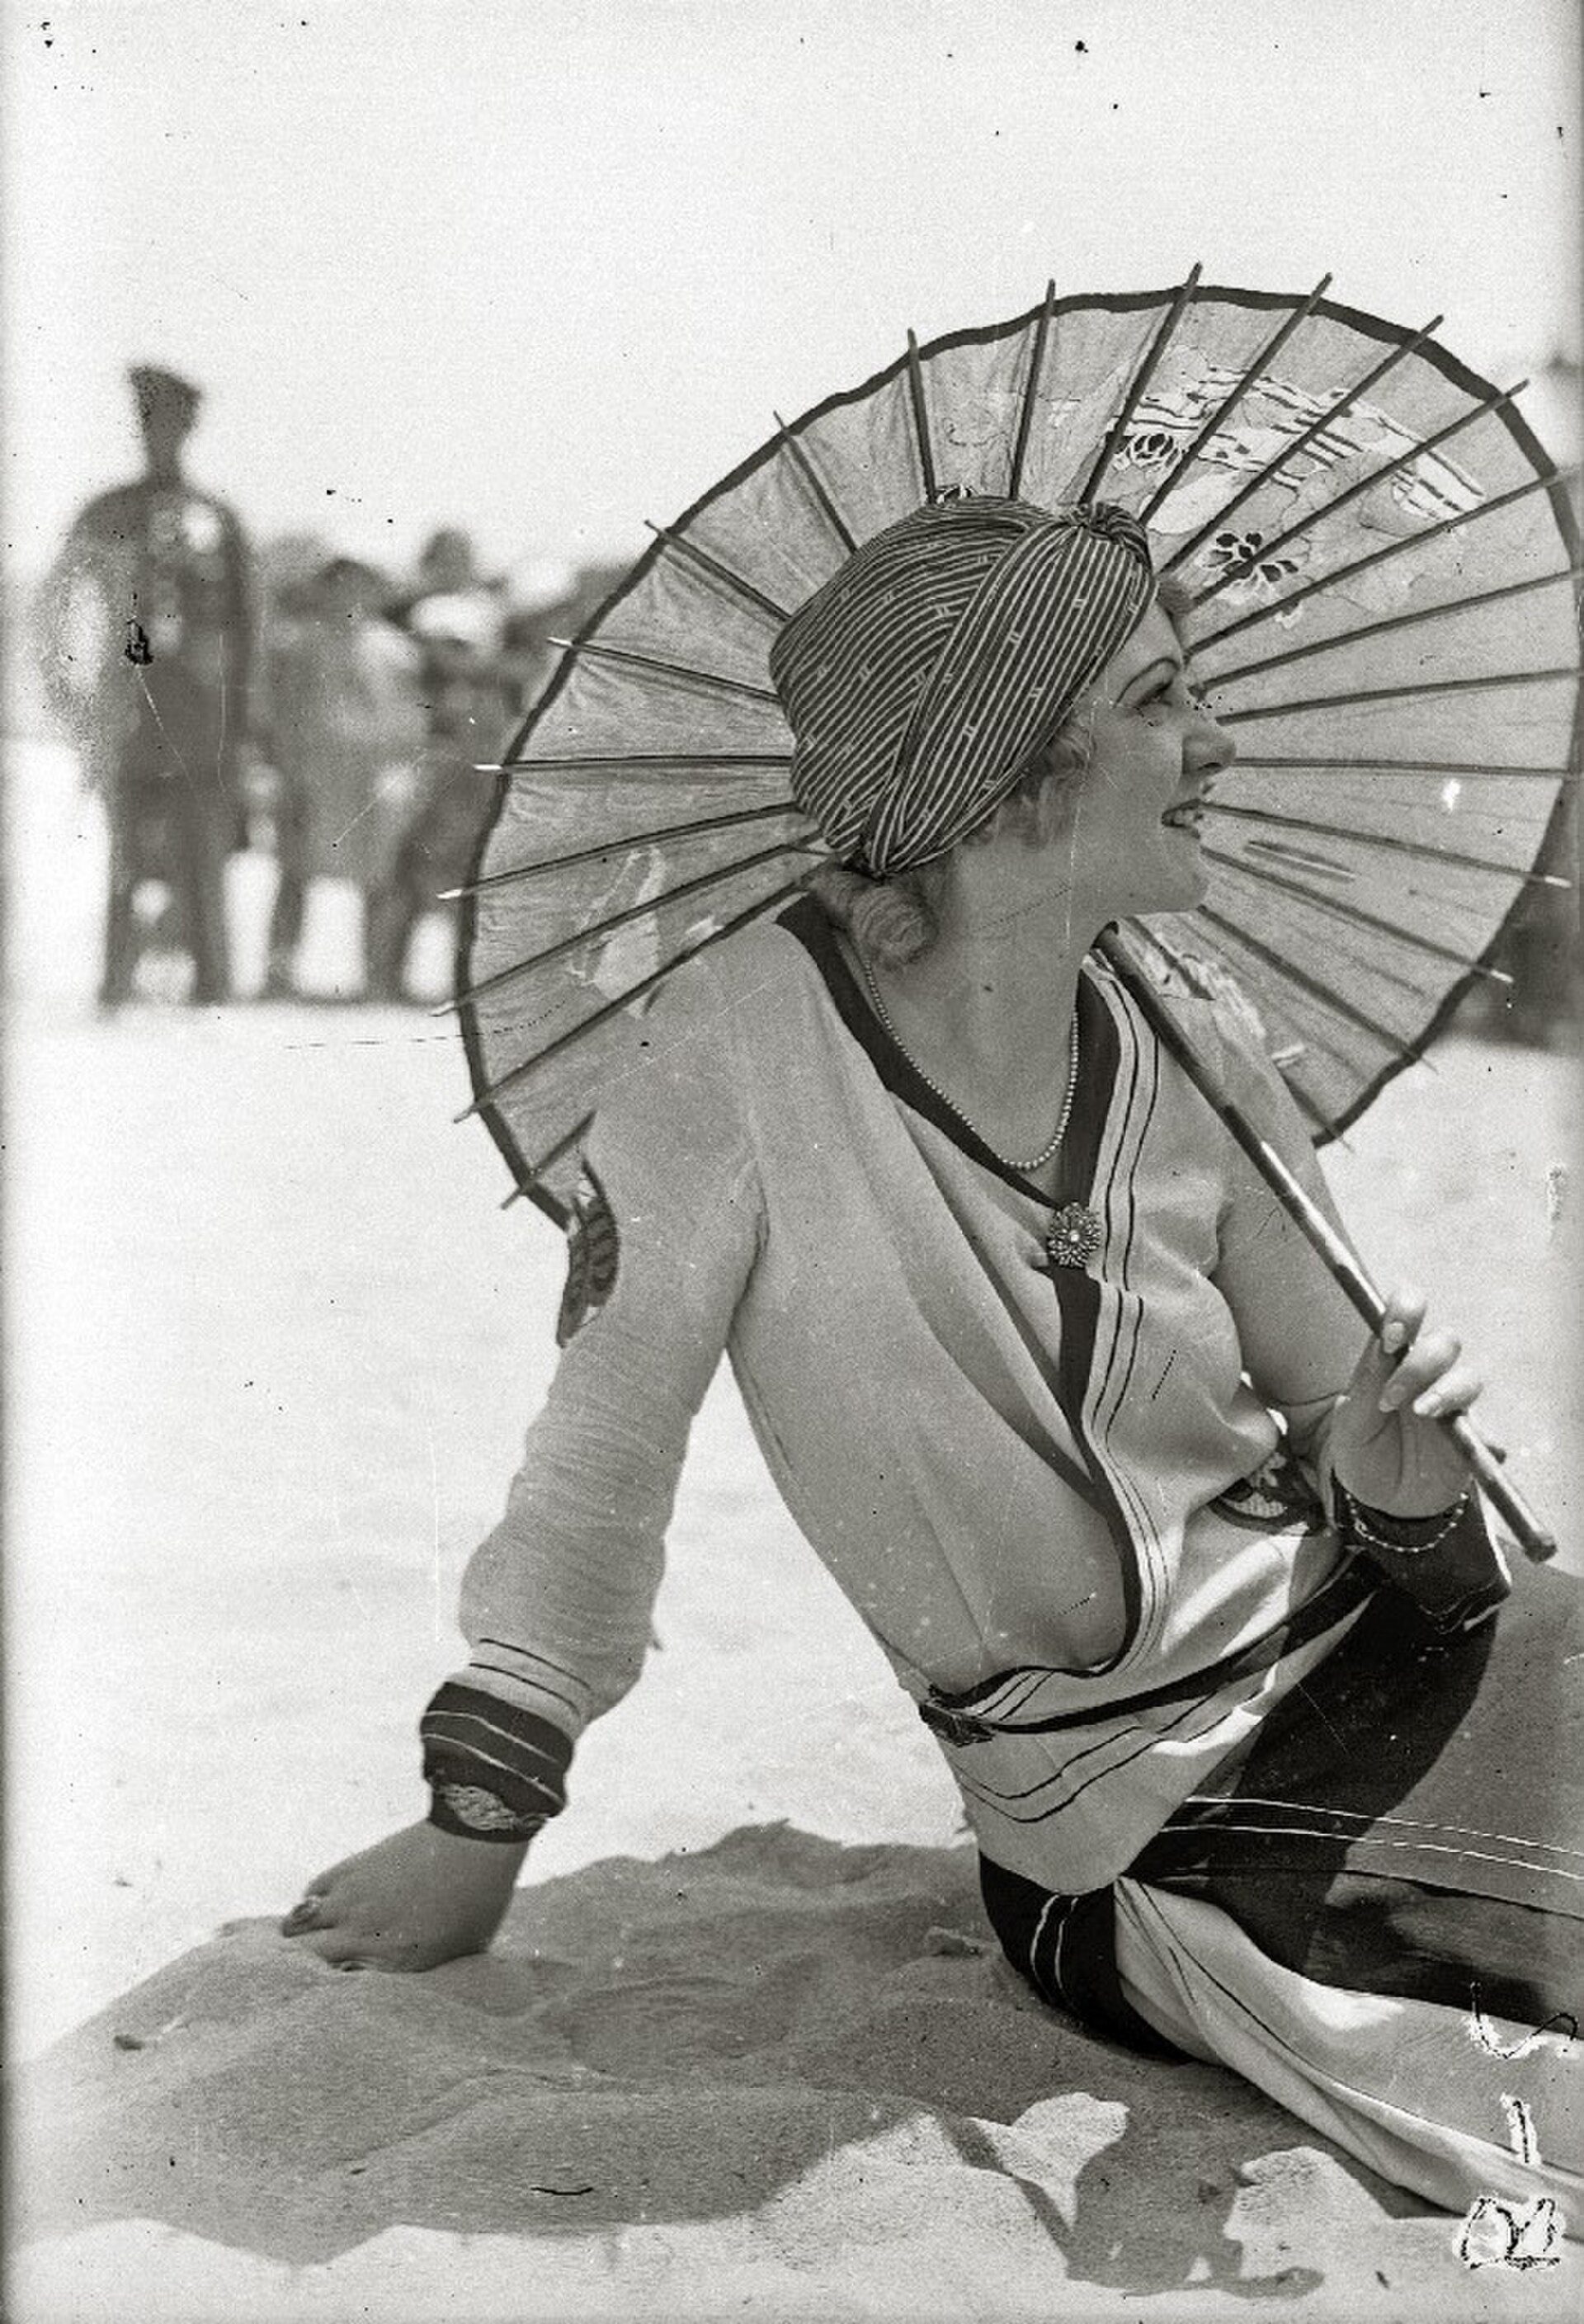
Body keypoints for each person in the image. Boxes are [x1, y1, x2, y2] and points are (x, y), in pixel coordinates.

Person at [284, 497, 1580, 2232]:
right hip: (1150, 1822)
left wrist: (1401, 1488)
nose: (1217, 742)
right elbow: (600, 1467)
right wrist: (474, 1827)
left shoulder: (1188, 1021)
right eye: (1159, 699)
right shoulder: (743, 1043)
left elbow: (1375, 1441)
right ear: (1017, 774)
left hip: (1404, 1659)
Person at [40, 365, 253, 1006]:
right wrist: (68, 689)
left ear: (189, 430)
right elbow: (57, 602)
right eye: (150, 424)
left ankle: (212, 986)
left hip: (201, 712)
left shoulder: (217, 517)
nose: (160, 438)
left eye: (172, 425)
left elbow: (247, 626)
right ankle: (116, 981)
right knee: (125, 850)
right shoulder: (106, 512)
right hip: (126, 703)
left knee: (202, 848)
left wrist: (245, 718)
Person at [257, 556, 425, 997]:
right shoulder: (302, 645)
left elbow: (411, 719)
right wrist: (284, 767)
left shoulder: (395, 649)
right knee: (295, 871)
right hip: (315, 773)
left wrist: (399, 769)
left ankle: (377, 976)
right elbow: (283, 712)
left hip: (371, 777)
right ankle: (279, 972)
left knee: (380, 875)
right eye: (339, 586)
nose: (349, 597)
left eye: (359, 587)